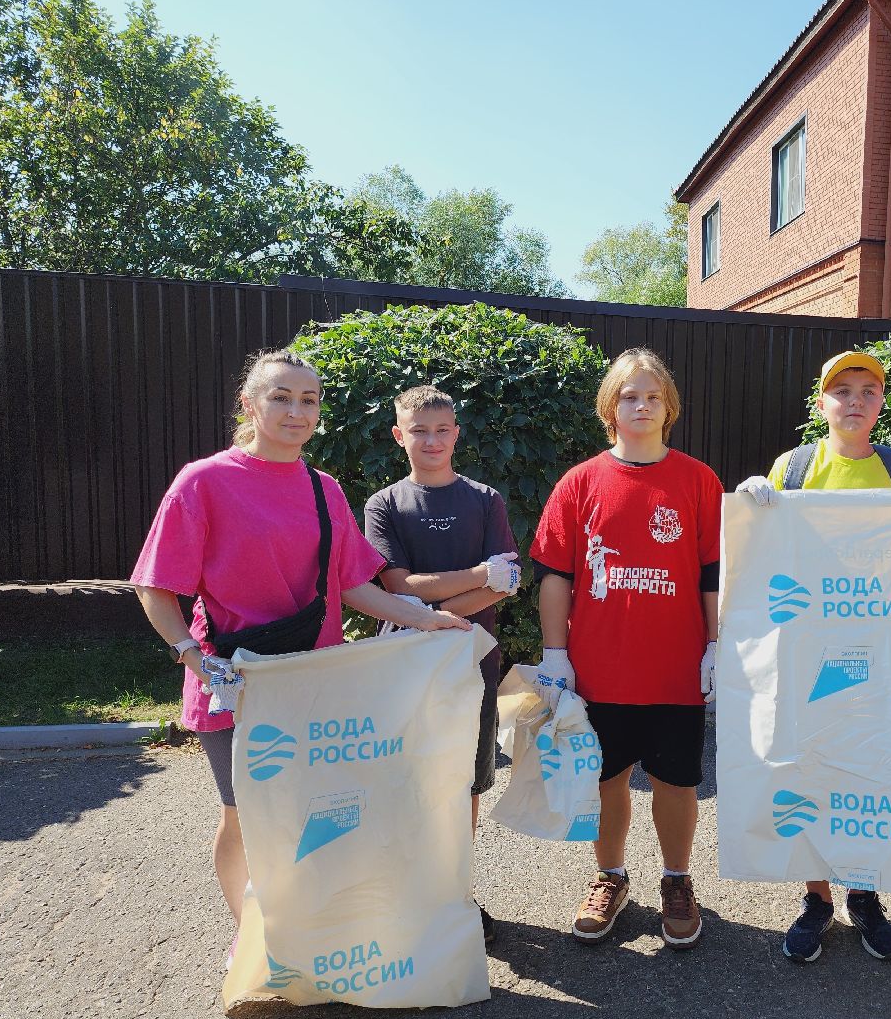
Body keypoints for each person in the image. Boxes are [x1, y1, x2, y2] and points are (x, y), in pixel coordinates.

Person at [130, 350, 472, 951]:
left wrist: (426, 620)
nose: (296, 411)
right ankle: (253, 943)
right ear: (249, 405)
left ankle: (311, 934)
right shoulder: (203, 481)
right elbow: (155, 587)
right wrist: (192, 656)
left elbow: (353, 585)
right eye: (281, 397)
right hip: (236, 683)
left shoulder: (323, 489)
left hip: (315, 683)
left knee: (318, 812)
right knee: (245, 814)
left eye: (308, 400)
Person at [734, 350, 891, 964]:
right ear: (822, 402)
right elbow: (771, 553)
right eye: (842, 390)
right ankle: (816, 899)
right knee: (811, 765)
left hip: (880, 648)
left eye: (867, 391)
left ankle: (865, 895)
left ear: (880, 403)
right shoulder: (794, 468)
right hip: (809, 648)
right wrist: (749, 511)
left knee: (872, 764)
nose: (854, 401)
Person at [529, 348, 722, 951]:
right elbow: (556, 575)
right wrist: (555, 654)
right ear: (610, 408)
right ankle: (610, 876)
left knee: (677, 782)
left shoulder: (698, 480)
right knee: (606, 780)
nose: (642, 406)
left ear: (670, 407)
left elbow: (714, 572)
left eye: (653, 396)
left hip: (675, 670)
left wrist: (716, 644)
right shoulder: (580, 481)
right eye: (629, 396)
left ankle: (676, 879)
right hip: (600, 669)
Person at [363, 385, 522, 944]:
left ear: (456, 434)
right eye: (419, 431)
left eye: (441, 430)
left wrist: (432, 612)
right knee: (407, 780)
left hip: (472, 662)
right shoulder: (384, 505)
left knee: (464, 783)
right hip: (403, 664)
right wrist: (478, 576)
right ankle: (410, 896)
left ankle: (455, 892)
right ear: (398, 435)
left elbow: (503, 586)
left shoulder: (485, 500)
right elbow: (397, 586)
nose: (431, 441)